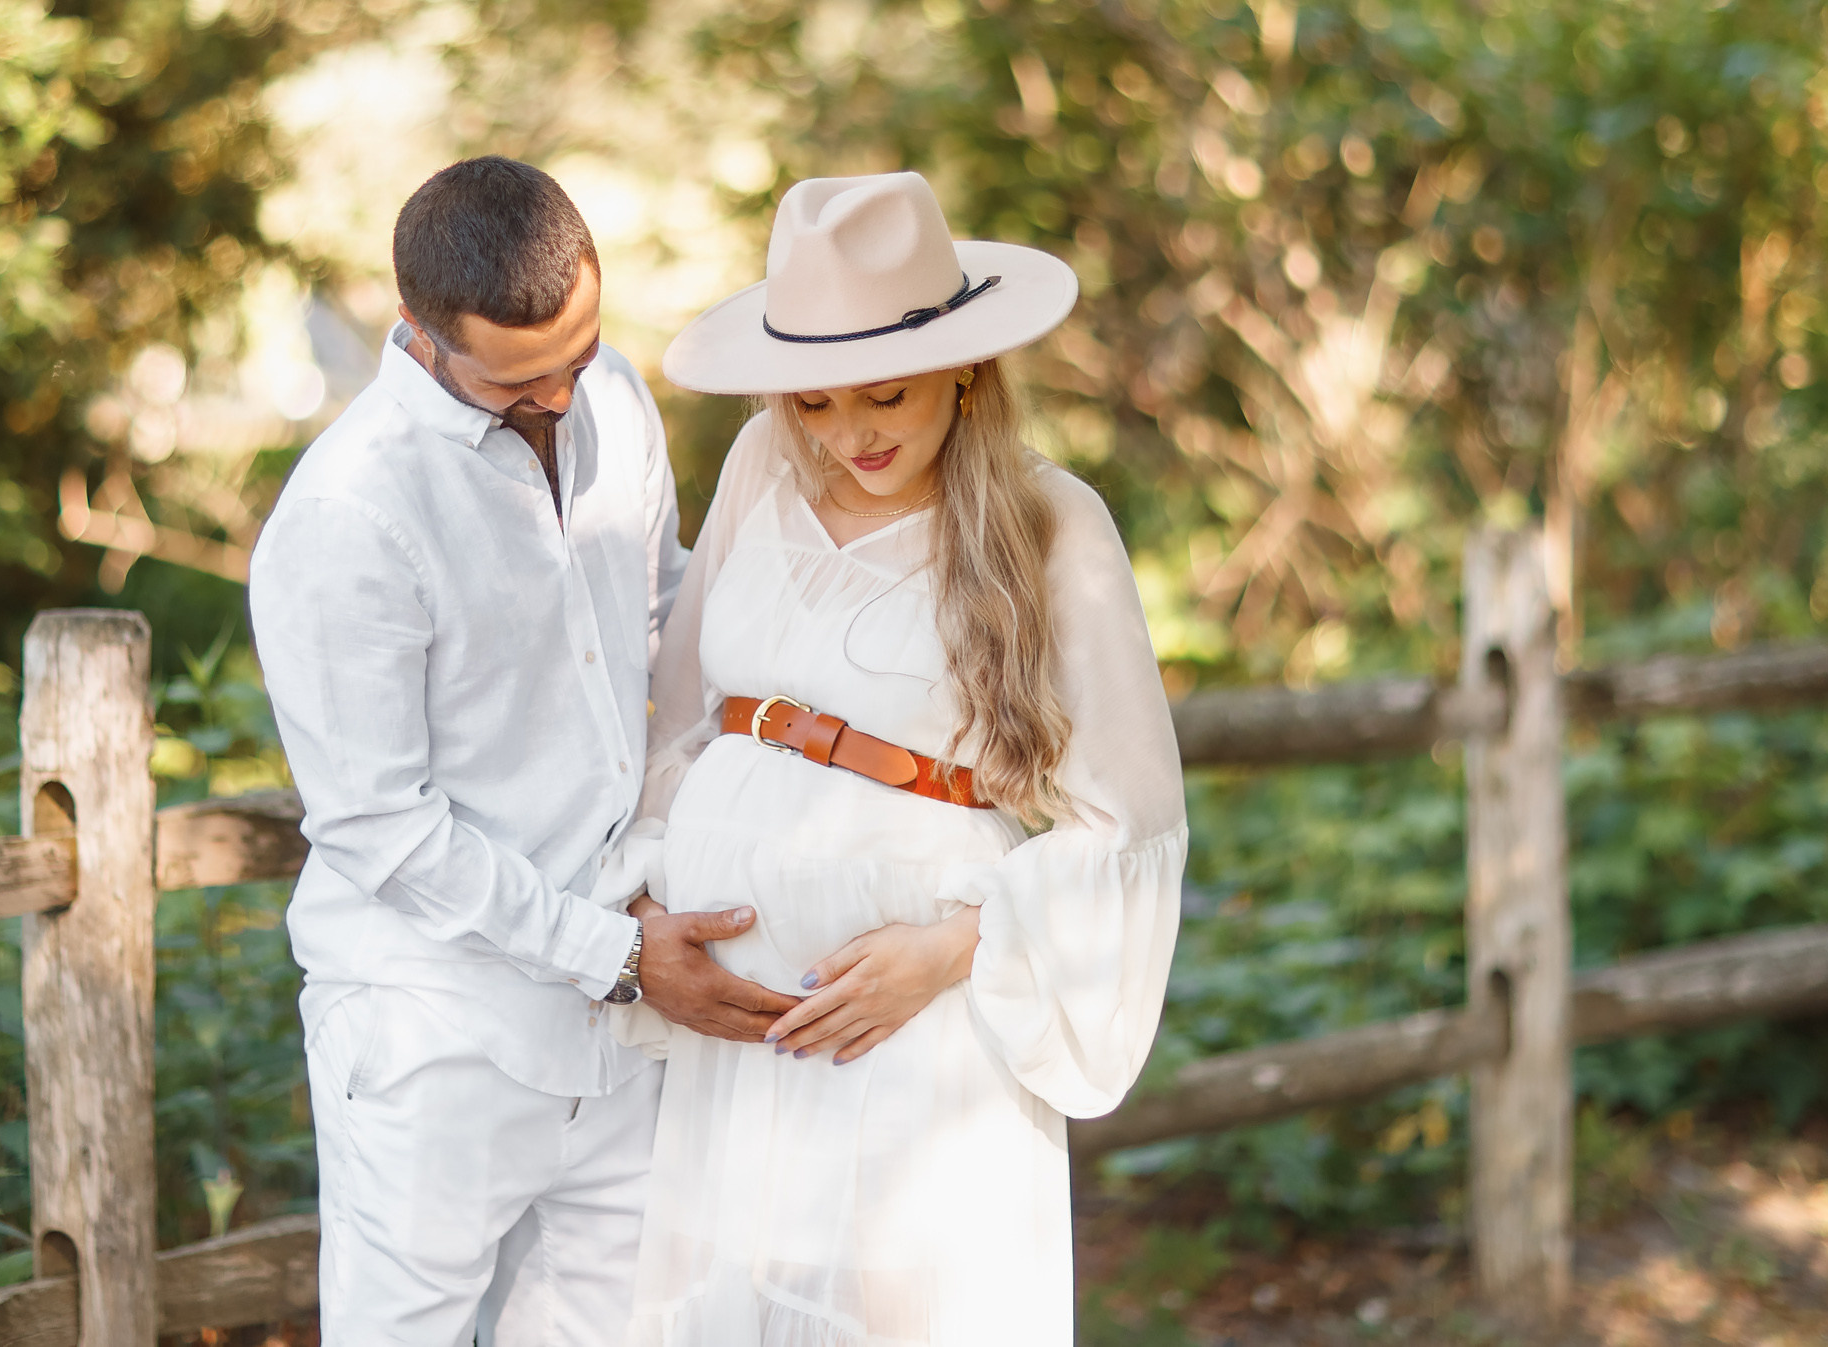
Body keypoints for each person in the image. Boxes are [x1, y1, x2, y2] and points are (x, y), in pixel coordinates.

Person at [605, 172, 1190, 1345]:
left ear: (964, 370)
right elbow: (681, 726)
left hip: (917, 1018)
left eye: (883, 395)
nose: (847, 436)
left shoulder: (1048, 522)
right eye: (810, 402)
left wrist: (947, 952)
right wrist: (648, 905)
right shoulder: (761, 473)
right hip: (742, 1032)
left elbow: (1132, 827)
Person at [249, 156, 798, 1346]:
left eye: (578, 352)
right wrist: (613, 954)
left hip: (622, 1027)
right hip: (438, 1034)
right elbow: (379, 828)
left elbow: (671, 622)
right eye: (518, 379)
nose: (560, 394)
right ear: (418, 332)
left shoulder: (616, 404)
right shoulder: (348, 519)